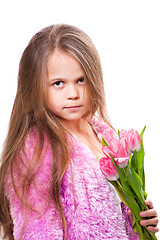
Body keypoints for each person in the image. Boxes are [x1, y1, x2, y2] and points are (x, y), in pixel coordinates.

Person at [0, 24, 159, 240]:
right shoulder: (36, 150)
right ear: (35, 87)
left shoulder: (104, 136)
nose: (73, 93)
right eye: (58, 83)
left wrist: (138, 222)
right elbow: (38, 233)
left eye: (81, 80)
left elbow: (113, 221)